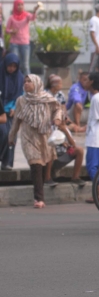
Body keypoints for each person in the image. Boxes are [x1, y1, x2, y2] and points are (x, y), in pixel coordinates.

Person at [8, 75, 61, 208]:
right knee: (35, 163)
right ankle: (39, 199)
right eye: (24, 81)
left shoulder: (47, 98)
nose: (26, 84)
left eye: (29, 81)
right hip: (28, 137)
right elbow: (17, 121)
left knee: (42, 165)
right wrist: (11, 136)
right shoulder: (21, 100)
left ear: (37, 83)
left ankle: (40, 192)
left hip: (44, 136)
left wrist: (57, 119)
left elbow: (58, 109)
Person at [84, 73, 99, 204]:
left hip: (95, 138)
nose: (85, 82)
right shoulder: (95, 97)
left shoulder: (97, 98)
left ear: (92, 82)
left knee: (92, 166)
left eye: (87, 80)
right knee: (94, 166)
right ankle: (98, 193)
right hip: (93, 137)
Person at [0, 53, 24, 170]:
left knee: (12, 137)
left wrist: (14, 107)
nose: (12, 68)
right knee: (3, 133)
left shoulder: (20, 78)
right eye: (10, 66)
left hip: (11, 111)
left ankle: (7, 163)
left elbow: (20, 96)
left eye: (14, 66)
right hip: (0, 111)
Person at [45, 119, 86, 187]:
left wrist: (66, 132)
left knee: (79, 150)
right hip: (51, 157)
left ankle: (75, 177)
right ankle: (47, 178)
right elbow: (47, 143)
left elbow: (73, 145)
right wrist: (60, 142)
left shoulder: (65, 129)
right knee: (49, 149)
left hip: (62, 155)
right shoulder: (50, 128)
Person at [6, 0, 39, 76]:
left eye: (21, 5)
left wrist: (34, 11)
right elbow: (7, 30)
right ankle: (14, 81)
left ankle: (29, 83)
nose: (20, 6)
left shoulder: (26, 15)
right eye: (18, 5)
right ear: (15, 6)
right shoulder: (11, 18)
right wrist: (12, 31)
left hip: (25, 43)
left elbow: (33, 18)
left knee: (26, 65)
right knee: (14, 64)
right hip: (14, 43)